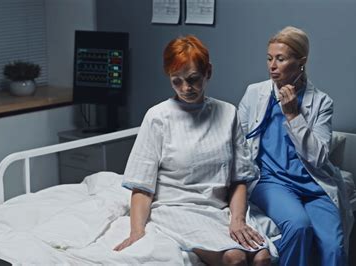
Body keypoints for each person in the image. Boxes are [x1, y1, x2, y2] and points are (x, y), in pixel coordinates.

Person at [113, 35, 272, 266]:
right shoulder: (158, 117)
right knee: (234, 258)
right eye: (176, 81)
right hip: (175, 208)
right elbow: (142, 185)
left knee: (262, 257)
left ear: (208, 72)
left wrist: (237, 221)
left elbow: (239, 179)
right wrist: (137, 232)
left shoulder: (228, 113)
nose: (185, 88)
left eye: (193, 79)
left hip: (218, 209)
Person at [238, 26, 354, 266]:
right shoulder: (255, 93)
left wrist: (293, 116)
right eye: (270, 58)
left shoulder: (321, 102)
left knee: (334, 248)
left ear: (301, 62)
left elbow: (319, 158)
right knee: (299, 227)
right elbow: (238, 141)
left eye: (280, 59)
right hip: (272, 180)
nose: (272, 66)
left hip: (313, 184)